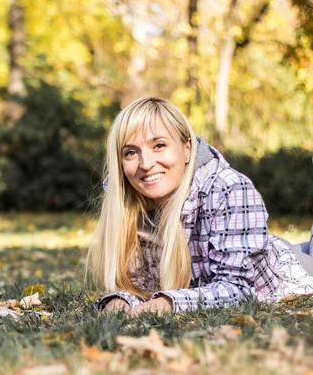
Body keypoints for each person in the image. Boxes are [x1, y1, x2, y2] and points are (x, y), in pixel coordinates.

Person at [86, 96, 313, 316]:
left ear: (187, 149)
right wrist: (120, 301)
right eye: (131, 152)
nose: (146, 164)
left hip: (294, 270)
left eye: (159, 145)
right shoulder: (128, 203)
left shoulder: (229, 188)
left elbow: (239, 290)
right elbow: (139, 287)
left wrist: (167, 304)